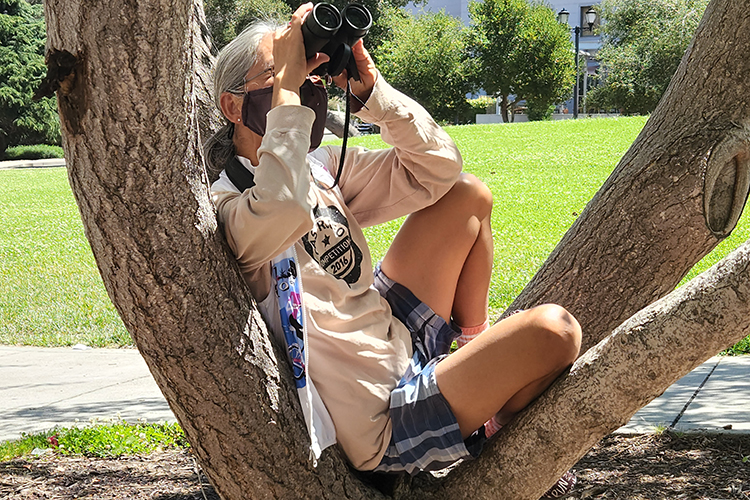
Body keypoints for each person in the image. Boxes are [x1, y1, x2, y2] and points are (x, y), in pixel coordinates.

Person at [206, 3, 581, 494]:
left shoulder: (321, 167)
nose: (302, 87)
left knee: (467, 195)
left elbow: (437, 170)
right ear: (233, 107)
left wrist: (372, 96)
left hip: (396, 339)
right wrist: (289, 85)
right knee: (556, 331)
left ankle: (470, 356)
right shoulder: (230, 206)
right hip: (381, 411)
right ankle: (490, 418)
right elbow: (285, 204)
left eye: (307, 75)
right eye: (280, 75)